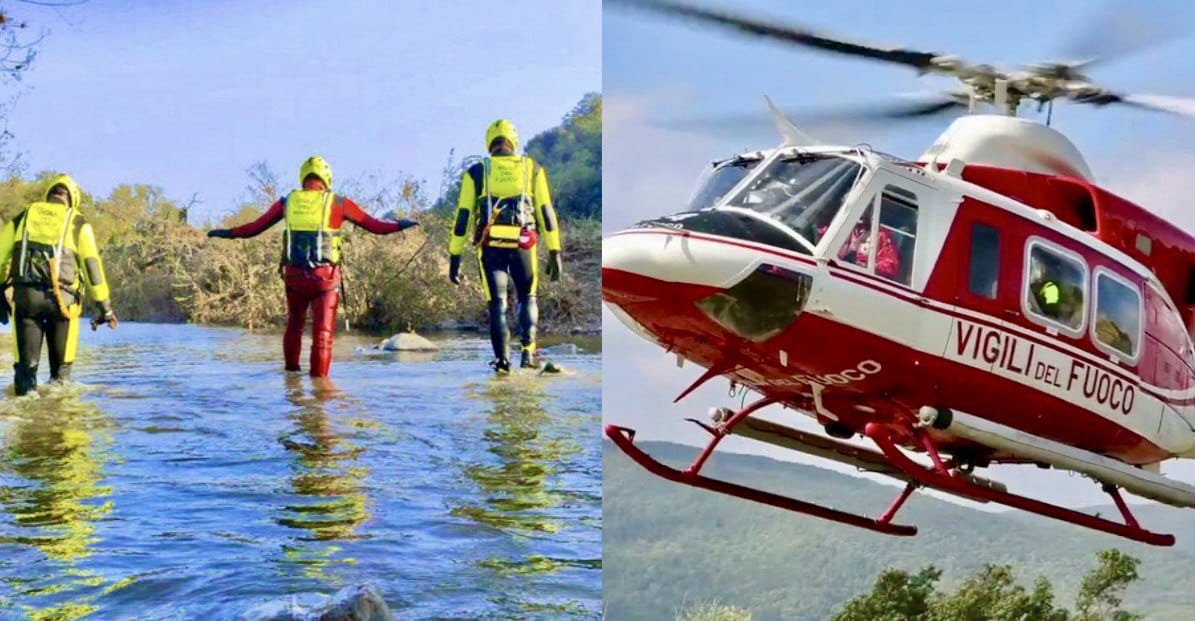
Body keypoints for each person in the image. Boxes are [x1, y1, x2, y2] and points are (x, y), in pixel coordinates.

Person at [207, 156, 418, 377]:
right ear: (326, 179)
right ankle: (320, 387)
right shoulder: (338, 203)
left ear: (303, 178)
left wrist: (227, 233)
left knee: (294, 326)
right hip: (325, 280)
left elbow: (254, 228)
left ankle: (291, 380)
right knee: (323, 335)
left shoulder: (287, 202)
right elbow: (375, 226)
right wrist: (400, 225)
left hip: (295, 277)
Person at [448, 119, 563, 372]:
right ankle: (527, 354)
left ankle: (502, 362)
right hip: (524, 245)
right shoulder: (532, 168)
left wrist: (454, 256)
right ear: (514, 142)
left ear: (489, 143)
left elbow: (463, 217)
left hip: (490, 247)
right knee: (527, 297)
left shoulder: (476, 172)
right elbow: (546, 212)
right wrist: (555, 251)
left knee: (497, 304)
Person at [0, 174, 117, 395]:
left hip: (26, 300)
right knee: (61, 382)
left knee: (25, 376)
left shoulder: (24, 216)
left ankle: (25, 400)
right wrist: (106, 308)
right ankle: (60, 410)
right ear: (73, 199)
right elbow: (92, 269)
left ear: (49, 195)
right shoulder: (78, 222)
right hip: (63, 302)